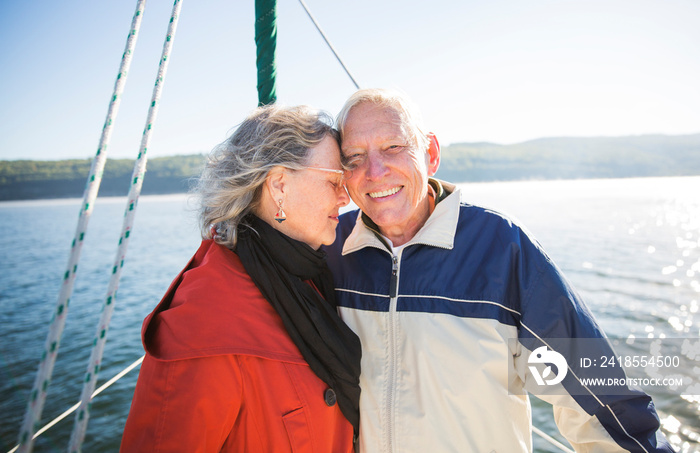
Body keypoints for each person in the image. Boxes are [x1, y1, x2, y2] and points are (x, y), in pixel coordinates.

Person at [323, 88, 674, 452]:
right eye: (355, 157)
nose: (375, 172)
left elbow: (598, 399)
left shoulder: (502, 248)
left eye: (393, 147)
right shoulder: (330, 249)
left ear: (431, 154)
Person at [120, 105, 361, 452]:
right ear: (279, 185)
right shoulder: (202, 326)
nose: (345, 196)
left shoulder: (304, 273)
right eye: (333, 181)